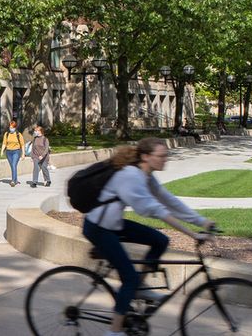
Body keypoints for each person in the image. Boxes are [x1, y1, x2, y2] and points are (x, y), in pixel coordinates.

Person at [83, 137, 215, 336]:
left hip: (113, 224)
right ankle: (114, 331)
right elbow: (155, 210)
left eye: (166, 155)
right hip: (98, 228)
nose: (166, 160)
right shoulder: (131, 176)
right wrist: (192, 234)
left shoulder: (146, 175)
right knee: (129, 278)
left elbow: (168, 200)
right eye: (161, 156)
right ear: (145, 157)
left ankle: (140, 287)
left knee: (160, 240)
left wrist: (201, 221)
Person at [1, 117, 26, 186]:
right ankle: (16, 179)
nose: (11, 128)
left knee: (14, 165)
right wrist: (2, 151)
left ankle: (13, 181)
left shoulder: (18, 134)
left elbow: (22, 145)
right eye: (10, 127)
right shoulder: (6, 134)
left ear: (15, 127)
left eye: (12, 127)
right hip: (8, 152)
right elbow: (4, 143)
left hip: (16, 152)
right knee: (12, 166)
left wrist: (23, 154)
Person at [28, 123, 52, 187]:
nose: (35, 132)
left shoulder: (45, 139)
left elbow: (46, 149)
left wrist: (42, 155)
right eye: (35, 131)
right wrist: (31, 156)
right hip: (36, 156)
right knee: (36, 168)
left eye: (36, 131)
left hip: (44, 157)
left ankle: (48, 180)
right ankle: (34, 182)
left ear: (40, 131)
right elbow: (33, 148)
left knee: (44, 168)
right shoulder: (35, 139)